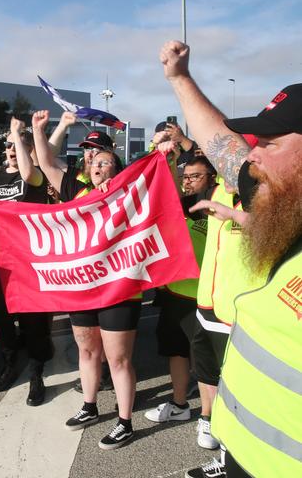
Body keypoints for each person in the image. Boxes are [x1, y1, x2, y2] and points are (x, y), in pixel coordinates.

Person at [162, 39, 302, 478]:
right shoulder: (284, 200)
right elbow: (223, 144)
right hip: (241, 454)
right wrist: (179, 79)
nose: (253, 154)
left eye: (272, 143)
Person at [33, 109, 140, 450]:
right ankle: (90, 407)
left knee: (119, 359)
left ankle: (125, 422)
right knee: (87, 350)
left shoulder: (129, 193)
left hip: (119, 290)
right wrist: (44, 128)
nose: (96, 164)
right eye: (93, 161)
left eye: (105, 162)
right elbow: (46, 162)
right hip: (82, 289)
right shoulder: (75, 191)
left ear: (117, 168)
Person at [0, 117, 54, 407]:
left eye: (17, 145)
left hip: (29, 259)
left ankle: (37, 371)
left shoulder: (33, 176)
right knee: (2, 316)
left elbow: (29, 173)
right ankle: (9, 363)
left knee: (32, 318)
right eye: (8, 145)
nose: (11, 148)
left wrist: (18, 135)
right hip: (0, 259)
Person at [144, 157, 216, 427]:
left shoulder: (216, 206)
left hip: (205, 297)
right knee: (177, 352)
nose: (187, 182)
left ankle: (209, 416)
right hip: (175, 294)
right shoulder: (180, 206)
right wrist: (168, 159)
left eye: (194, 176)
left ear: (211, 177)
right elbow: (166, 192)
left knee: (204, 361)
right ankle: (179, 404)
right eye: (185, 177)